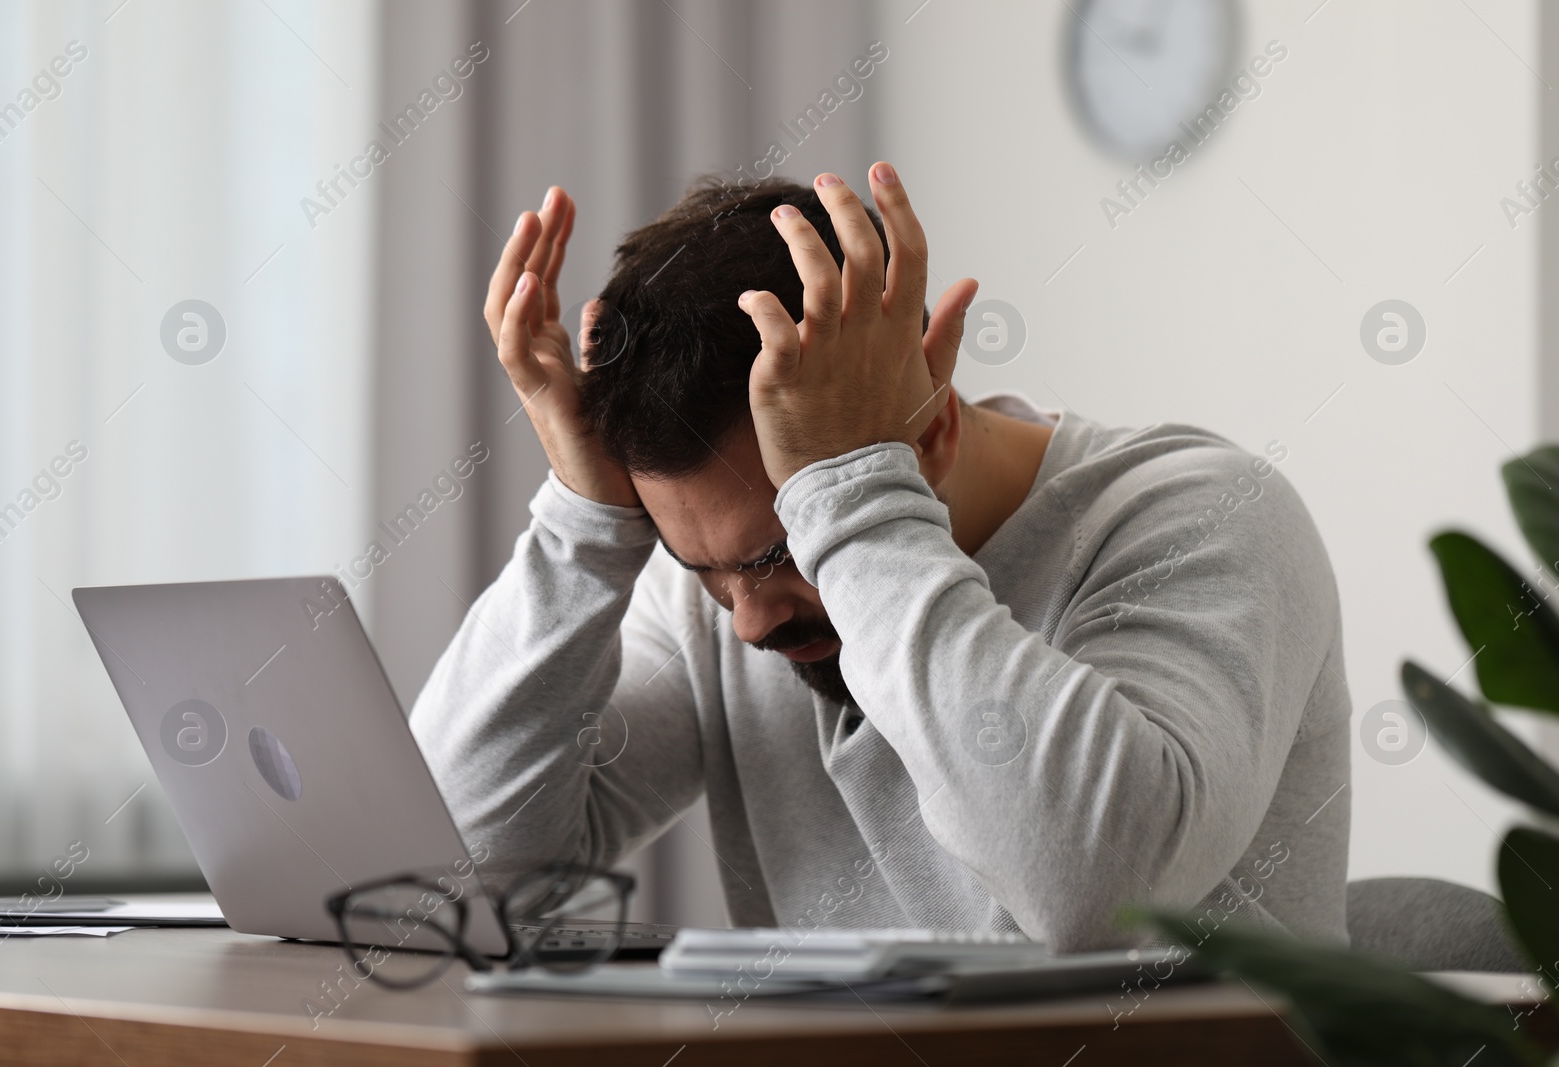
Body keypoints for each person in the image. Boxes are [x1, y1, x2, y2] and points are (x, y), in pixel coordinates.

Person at [408, 163, 1350, 951]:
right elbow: (451, 883)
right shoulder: (730, 590)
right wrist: (585, 527)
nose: (748, 619)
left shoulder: (1205, 515)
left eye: (785, 549)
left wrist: (852, 499)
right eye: (703, 570)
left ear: (932, 420)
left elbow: (1094, 893)